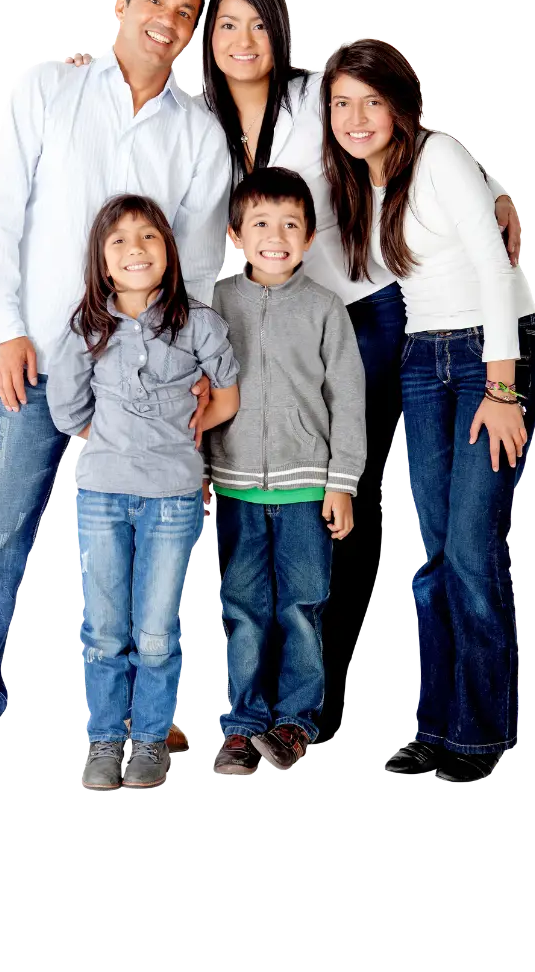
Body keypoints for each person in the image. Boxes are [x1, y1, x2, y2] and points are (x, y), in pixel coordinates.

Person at [65, 0, 523, 741]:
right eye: (226, 26)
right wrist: (91, 69)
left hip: (362, 315)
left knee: (352, 501)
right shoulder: (193, 116)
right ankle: (257, 707)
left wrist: (499, 194)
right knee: (256, 516)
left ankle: (328, 704)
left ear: (281, 35)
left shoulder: (319, 99)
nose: (243, 42)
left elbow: (406, 135)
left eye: (259, 25)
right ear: (207, 42)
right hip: (245, 319)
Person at [0, 0, 232, 780]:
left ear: (192, 33)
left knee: (151, 545)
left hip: (148, 386)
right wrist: (4, 328)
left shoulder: (196, 130)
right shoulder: (47, 88)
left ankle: (149, 720)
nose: (168, 18)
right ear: (121, 5)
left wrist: (195, 368)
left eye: (186, 11)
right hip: (42, 362)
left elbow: (196, 263)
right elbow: (1, 207)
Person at [320, 38, 535, 782]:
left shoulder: (438, 154)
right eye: (340, 103)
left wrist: (503, 389)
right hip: (423, 361)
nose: (355, 117)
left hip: (489, 355)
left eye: (370, 101)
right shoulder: (363, 182)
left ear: (400, 103)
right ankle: (437, 728)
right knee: (438, 553)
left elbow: (490, 264)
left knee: (473, 555)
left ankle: (477, 738)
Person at [47, 194, 239, 789]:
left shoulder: (198, 323)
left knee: (156, 631)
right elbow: (65, 406)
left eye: (149, 236)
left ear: (169, 250)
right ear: (103, 262)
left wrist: (178, 431)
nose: (135, 249)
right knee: (104, 629)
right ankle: (104, 739)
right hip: (103, 494)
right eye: (119, 241)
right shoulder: (87, 327)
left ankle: (150, 739)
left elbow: (227, 394)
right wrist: (100, 433)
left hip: (173, 499)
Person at [207, 168, 366, 775]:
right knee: (244, 607)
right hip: (234, 483)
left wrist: (341, 483)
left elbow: (347, 399)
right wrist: (199, 468)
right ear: (236, 235)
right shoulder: (218, 301)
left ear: (309, 236)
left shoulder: (325, 309)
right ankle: (244, 725)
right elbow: (201, 388)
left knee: (301, 606)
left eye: (291, 225)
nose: (276, 237)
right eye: (261, 225)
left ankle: (295, 724)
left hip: (307, 487)